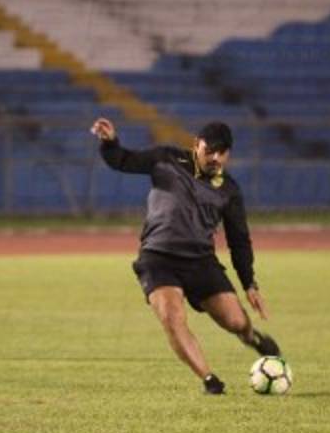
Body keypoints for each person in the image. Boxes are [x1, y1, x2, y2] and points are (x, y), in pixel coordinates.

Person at [91, 117, 280, 395]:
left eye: (222, 152)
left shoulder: (229, 189)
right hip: (158, 258)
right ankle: (209, 379)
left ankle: (251, 337)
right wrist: (110, 143)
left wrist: (249, 283)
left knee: (235, 321)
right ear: (196, 145)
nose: (215, 157)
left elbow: (239, 240)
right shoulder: (166, 159)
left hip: (201, 262)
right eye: (209, 150)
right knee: (172, 316)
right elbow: (123, 160)